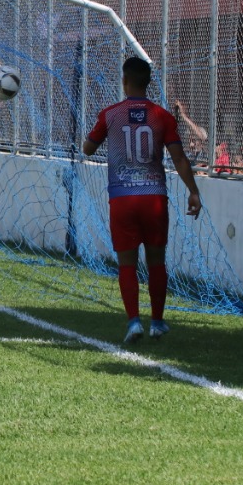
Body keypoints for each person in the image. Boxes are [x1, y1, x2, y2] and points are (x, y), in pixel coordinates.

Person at [82, 56, 201, 345]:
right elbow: (179, 159)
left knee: (127, 263)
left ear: (124, 81)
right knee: (157, 261)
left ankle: (133, 321)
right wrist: (193, 191)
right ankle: (157, 322)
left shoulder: (110, 114)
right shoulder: (162, 117)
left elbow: (87, 148)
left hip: (122, 199)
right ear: (148, 83)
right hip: (153, 198)